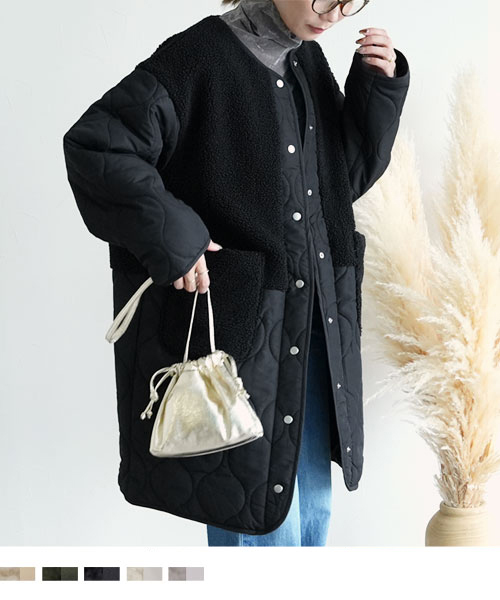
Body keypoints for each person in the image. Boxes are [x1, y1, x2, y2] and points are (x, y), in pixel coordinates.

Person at [63, 0, 410, 546]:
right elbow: (97, 147)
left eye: (351, 1)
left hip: (314, 331)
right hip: (242, 336)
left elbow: (337, 186)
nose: (336, 13)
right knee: (258, 532)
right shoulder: (198, 57)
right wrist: (176, 238)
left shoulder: (304, 58)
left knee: (310, 519)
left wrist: (376, 92)